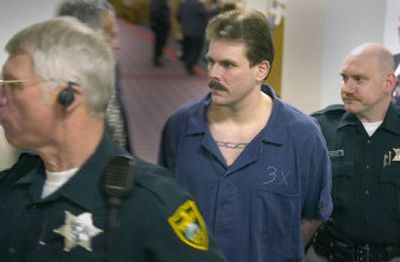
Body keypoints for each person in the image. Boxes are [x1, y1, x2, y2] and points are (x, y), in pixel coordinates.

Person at [0, 17, 226, 261]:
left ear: (68, 96)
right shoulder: (13, 187)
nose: (2, 98)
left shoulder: (151, 204)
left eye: (12, 86)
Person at [159, 9, 332, 261]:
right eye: (211, 61)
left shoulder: (303, 136)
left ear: (260, 70)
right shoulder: (180, 127)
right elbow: (166, 204)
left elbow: (313, 215)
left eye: (228, 65)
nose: (214, 74)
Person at [306, 43, 400, 261]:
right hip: (328, 255)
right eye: (344, 78)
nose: (347, 88)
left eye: (358, 79)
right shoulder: (319, 128)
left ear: (388, 83)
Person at [57, 0, 131, 152]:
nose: (117, 45)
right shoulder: (50, 89)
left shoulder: (109, 71)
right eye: (110, 36)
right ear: (81, 37)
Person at [177, 0, 219, 75]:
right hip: (196, 32)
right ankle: (190, 66)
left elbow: (178, 16)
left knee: (188, 47)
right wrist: (218, 9)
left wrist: (184, 24)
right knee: (196, 49)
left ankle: (187, 62)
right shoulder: (197, 4)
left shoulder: (183, 4)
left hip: (186, 30)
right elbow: (205, 13)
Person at [149, 0, 170, 67]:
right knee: (160, 42)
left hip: (159, 24)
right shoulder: (159, 1)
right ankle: (157, 59)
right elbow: (155, 12)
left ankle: (158, 56)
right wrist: (164, 22)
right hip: (160, 25)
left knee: (159, 42)